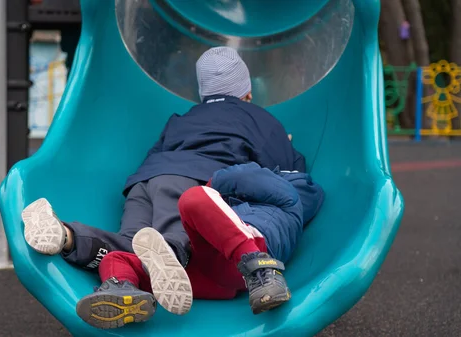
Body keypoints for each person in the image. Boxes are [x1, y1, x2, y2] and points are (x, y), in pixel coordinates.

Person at [21, 45, 306, 313]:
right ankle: (162, 258)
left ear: (203, 93)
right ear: (247, 92)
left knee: (134, 244)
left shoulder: (183, 118)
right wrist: (287, 145)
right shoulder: (259, 119)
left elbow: (157, 154)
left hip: (145, 182)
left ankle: (68, 236)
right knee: (177, 249)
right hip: (190, 181)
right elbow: (287, 175)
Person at [75, 162, 324, 329]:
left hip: (243, 256)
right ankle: (122, 289)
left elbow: (244, 176)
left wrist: (211, 186)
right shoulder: (282, 217)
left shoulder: (289, 198)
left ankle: (262, 271)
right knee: (119, 259)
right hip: (219, 278)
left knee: (193, 198)